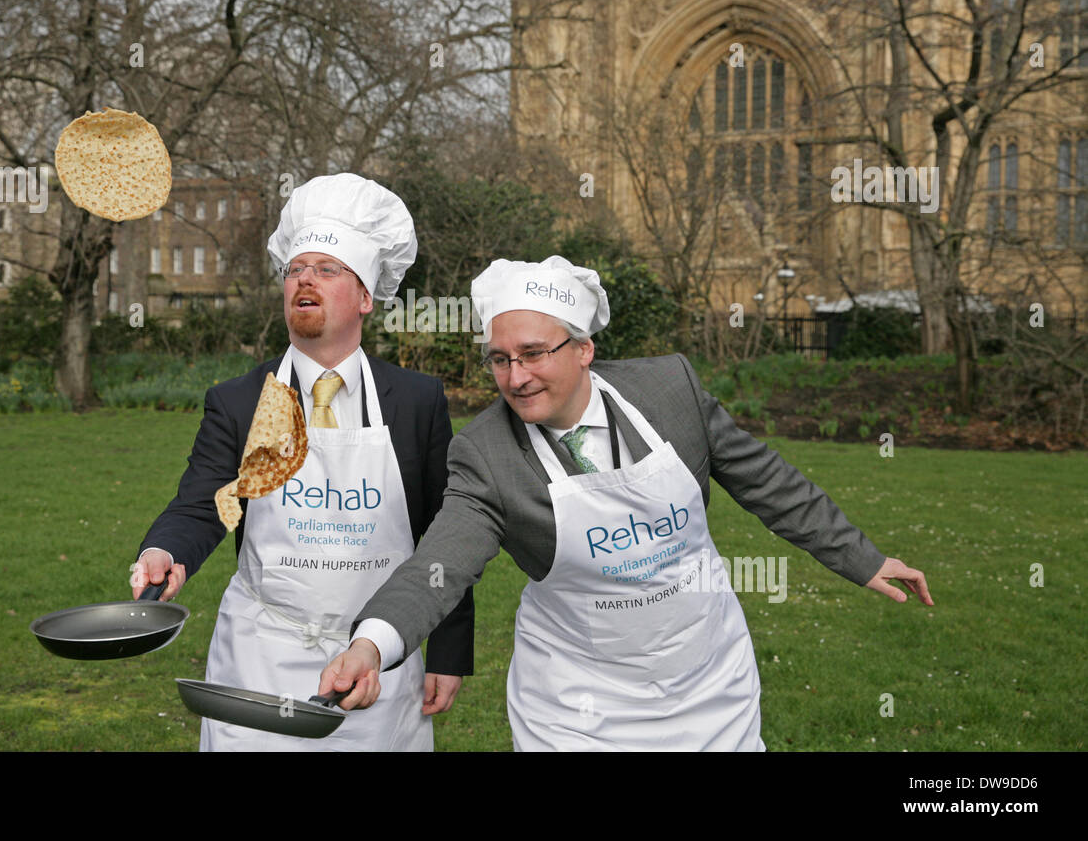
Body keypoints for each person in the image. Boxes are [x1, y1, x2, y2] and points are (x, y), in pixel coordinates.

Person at [320, 255, 933, 750]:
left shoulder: (669, 391)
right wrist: (371, 644)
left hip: (708, 677)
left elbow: (766, 481)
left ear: (583, 348)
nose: (516, 377)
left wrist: (863, 558)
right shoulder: (487, 454)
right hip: (580, 703)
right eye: (501, 360)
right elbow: (441, 565)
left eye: (534, 354)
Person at [135, 173, 473, 751]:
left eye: (327, 269)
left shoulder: (416, 402)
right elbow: (201, 503)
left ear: (366, 296)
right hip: (261, 658)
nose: (305, 280)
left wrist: (446, 648)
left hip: (377, 663)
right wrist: (163, 551)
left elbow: (445, 536)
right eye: (296, 270)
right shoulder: (243, 399)